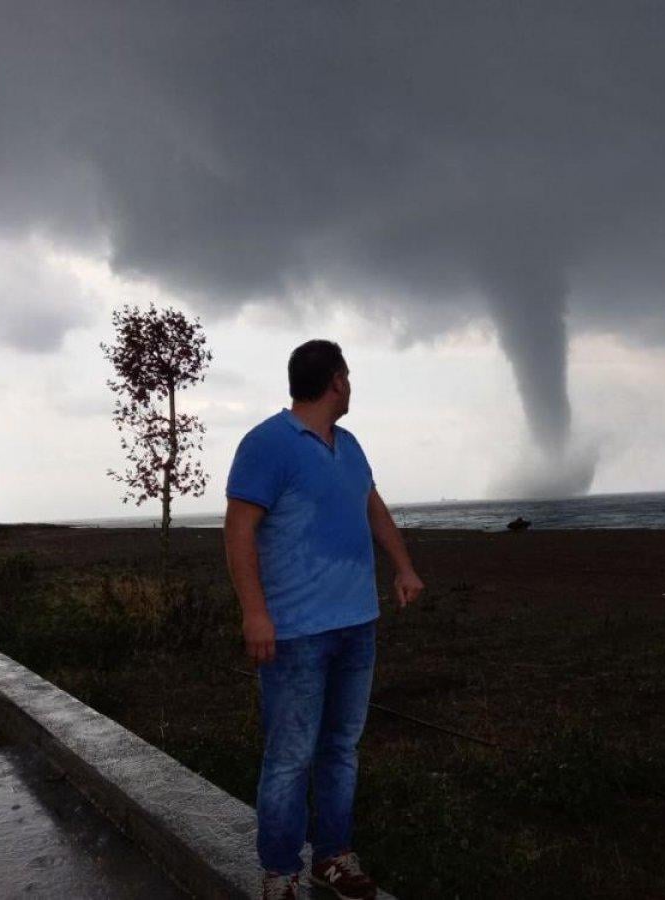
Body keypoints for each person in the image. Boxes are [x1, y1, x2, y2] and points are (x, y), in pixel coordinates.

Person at [224, 339, 424, 900]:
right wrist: (255, 613)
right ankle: (281, 871)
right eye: (349, 376)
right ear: (336, 381)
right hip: (295, 633)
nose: (351, 385)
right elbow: (238, 530)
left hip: (357, 624)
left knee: (340, 747)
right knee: (289, 755)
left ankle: (332, 857)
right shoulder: (267, 444)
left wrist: (403, 567)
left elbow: (372, 507)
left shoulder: (351, 445)